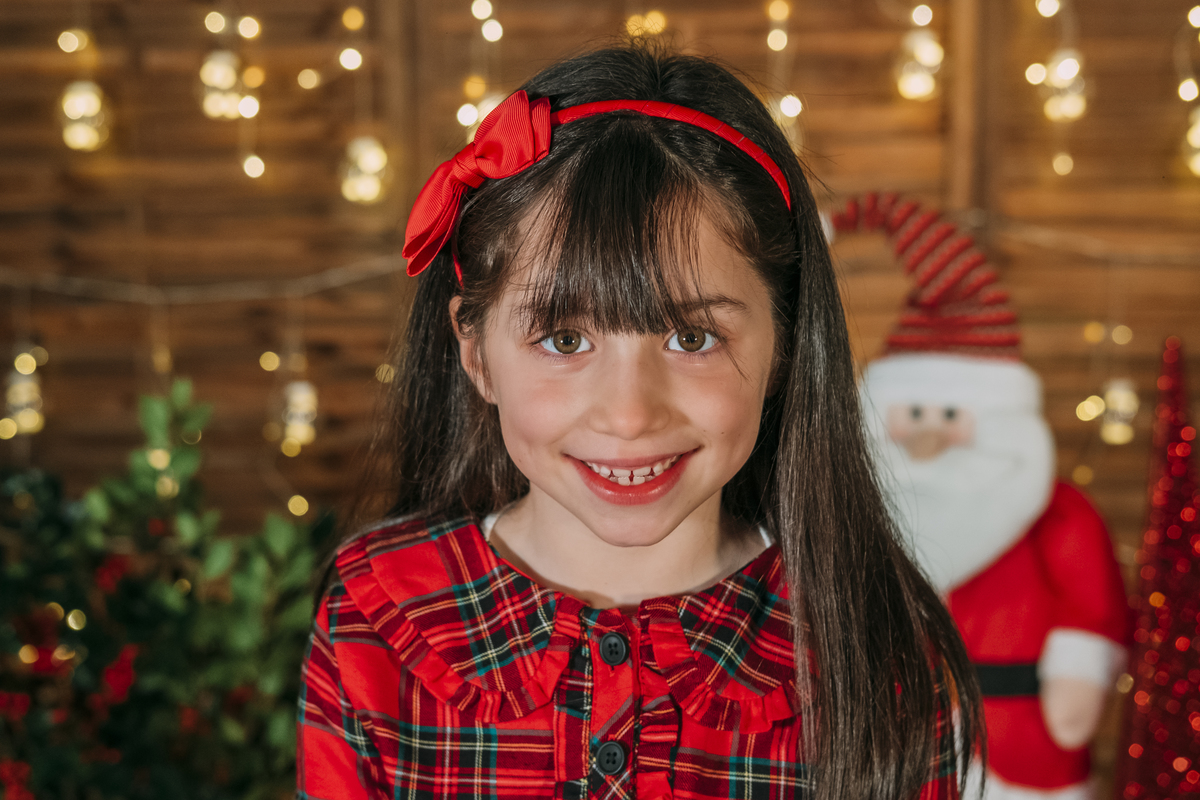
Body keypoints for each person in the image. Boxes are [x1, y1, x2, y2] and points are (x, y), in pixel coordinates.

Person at [296, 42, 983, 800]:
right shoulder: (378, 612)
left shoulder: (875, 649)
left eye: (692, 338)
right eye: (564, 339)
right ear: (477, 352)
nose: (628, 416)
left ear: (785, 344)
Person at [842, 193, 1129, 800]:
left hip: (1019, 745)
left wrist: (1078, 670)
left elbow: (1090, 596)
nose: (929, 430)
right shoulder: (865, 510)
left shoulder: (1055, 512)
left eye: (951, 412)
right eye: (913, 411)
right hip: (903, 745)